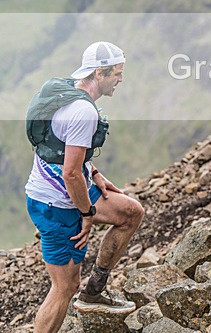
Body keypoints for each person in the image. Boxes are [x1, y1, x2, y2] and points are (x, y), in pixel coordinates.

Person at [24, 42, 143, 331]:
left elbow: (62, 151)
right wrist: (87, 213)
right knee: (64, 287)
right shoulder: (83, 112)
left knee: (130, 212)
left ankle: (96, 289)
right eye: (116, 73)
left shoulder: (68, 91)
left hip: (69, 189)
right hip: (53, 203)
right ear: (100, 73)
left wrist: (96, 172)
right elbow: (71, 174)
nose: (120, 79)